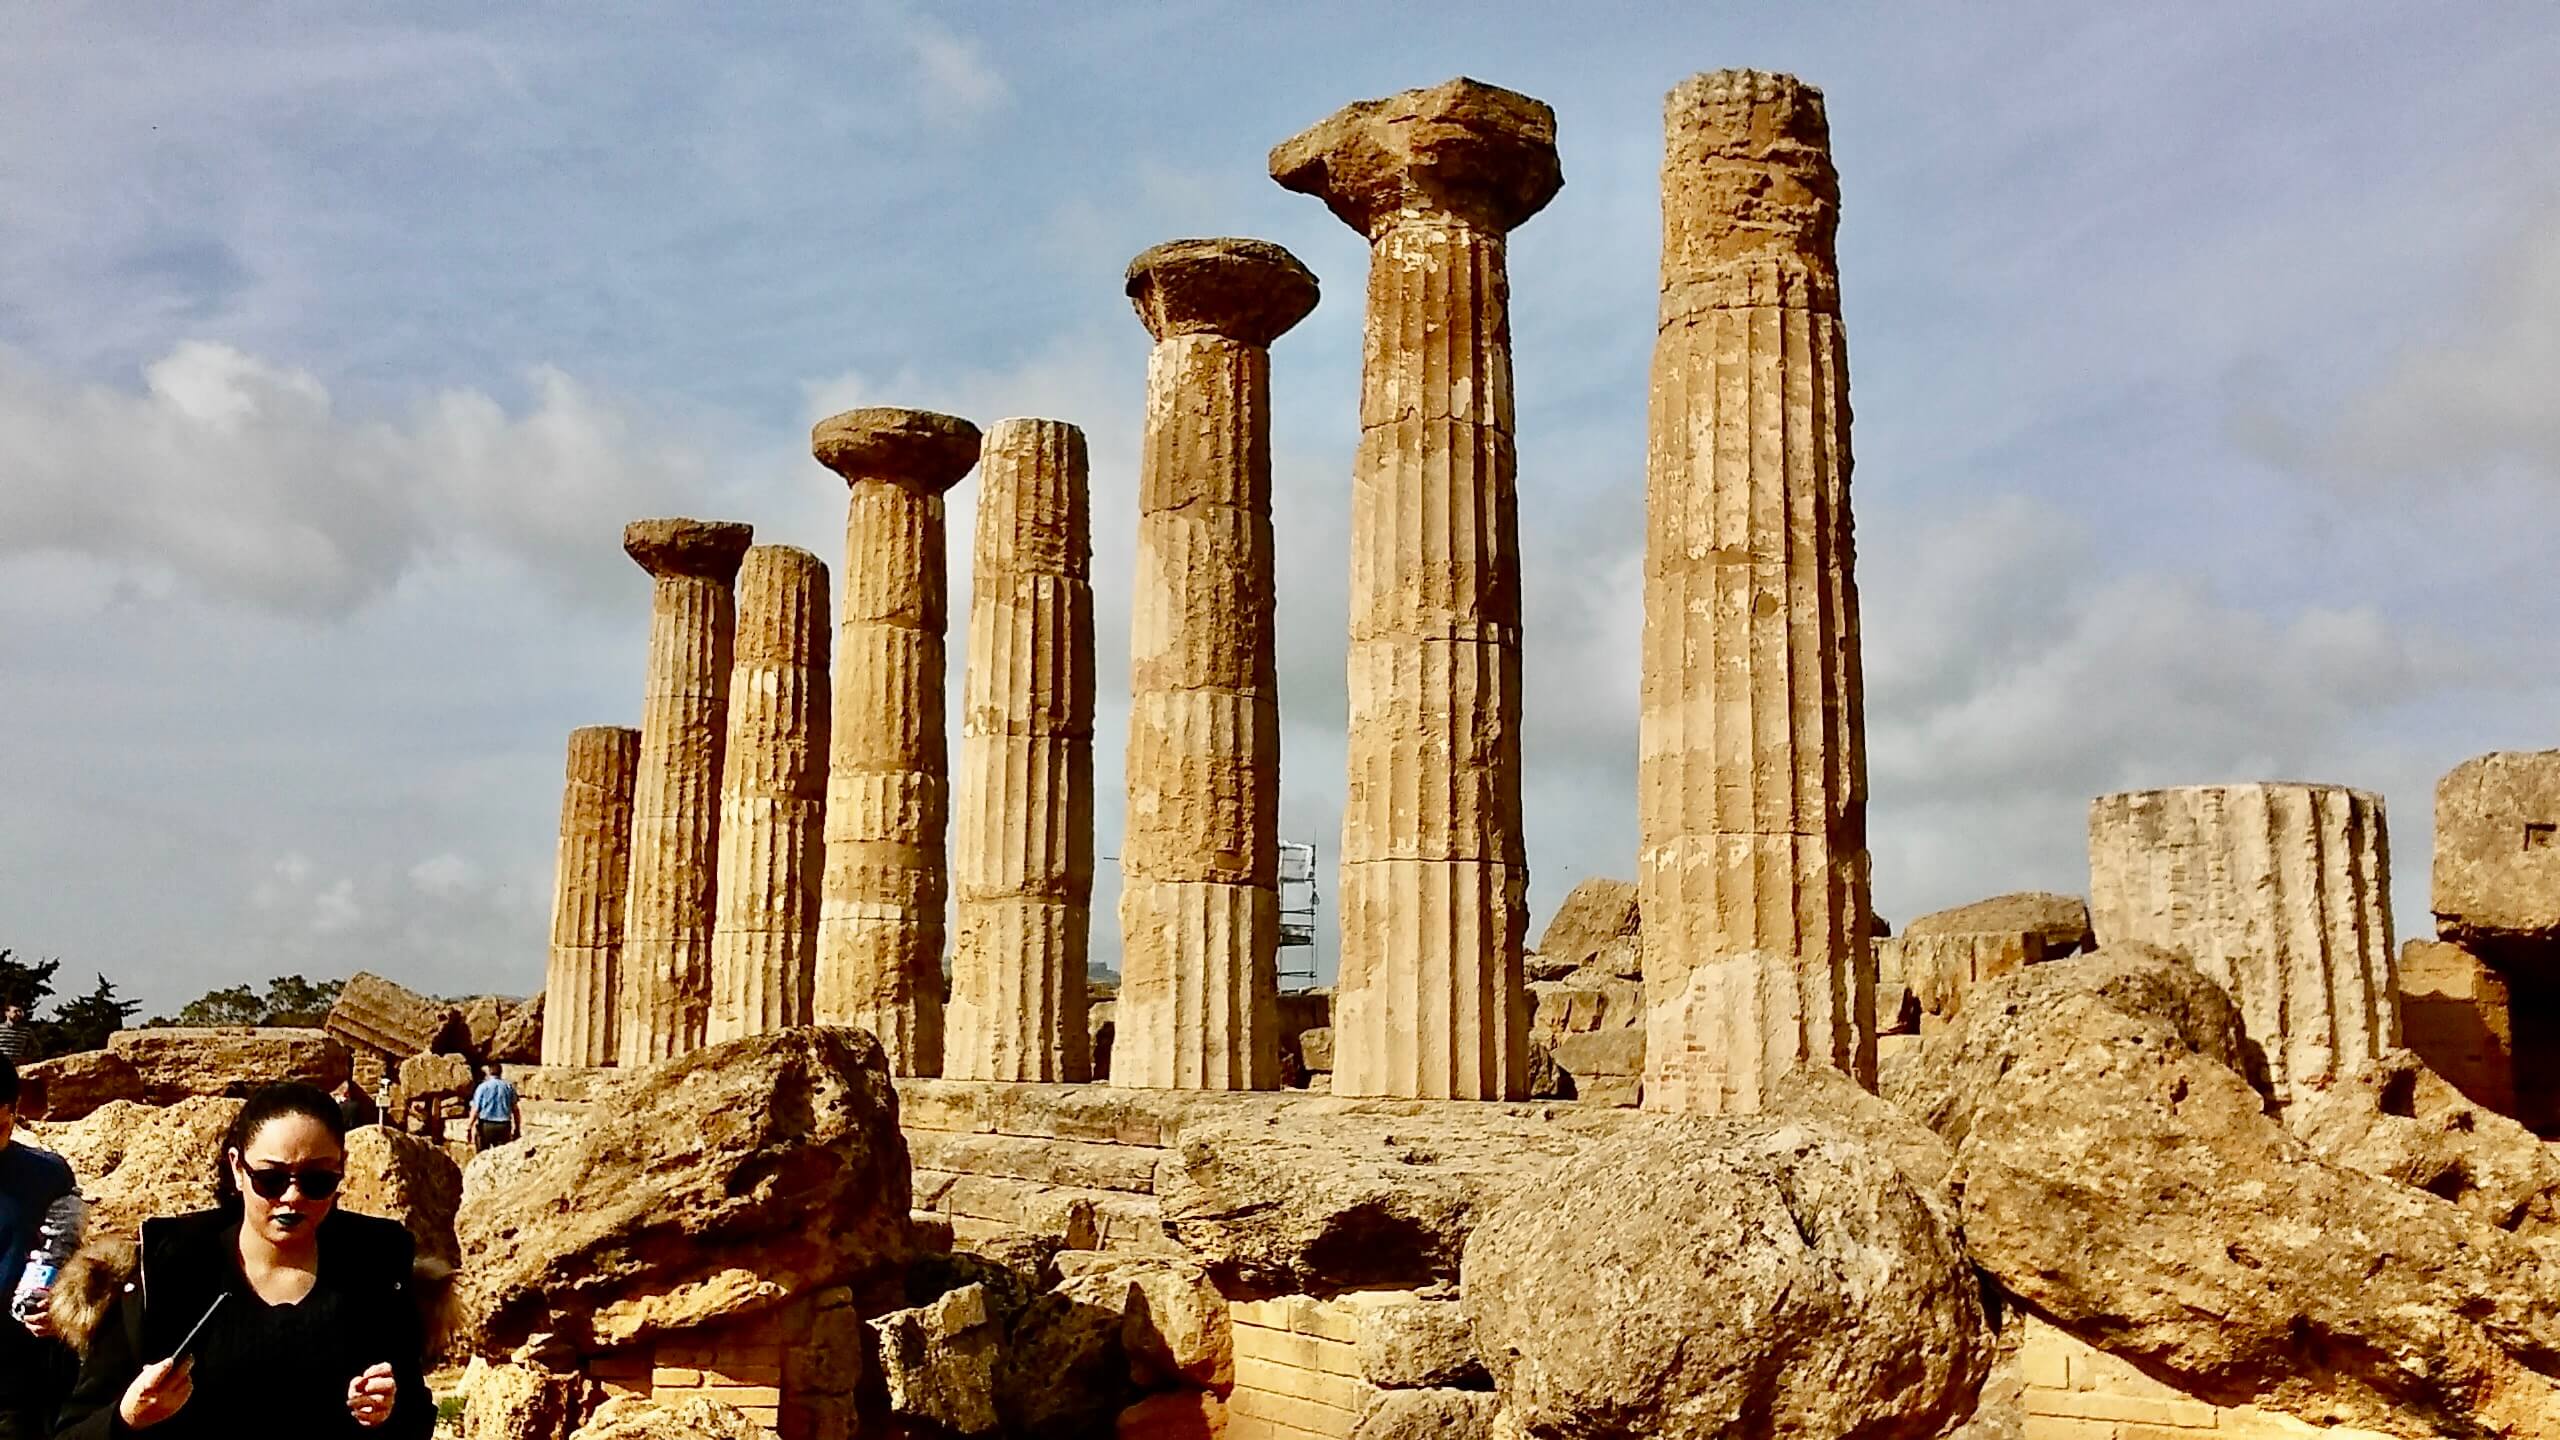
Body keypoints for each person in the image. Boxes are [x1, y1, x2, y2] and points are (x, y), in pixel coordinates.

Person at [53, 1082, 433, 1438]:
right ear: (238, 1168)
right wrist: (127, 1417)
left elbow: (415, 1417)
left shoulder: (376, 1268)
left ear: (341, 1170)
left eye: (317, 1180)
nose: (293, 1197)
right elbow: (74, 1430)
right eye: (271, 1179)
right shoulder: (166, 1269)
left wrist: (389, 1413)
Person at [0, 1055, 78, 1440]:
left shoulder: (46, 1176)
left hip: (17, 1373)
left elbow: (65, 1254)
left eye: (0, 1125)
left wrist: (58, 1306)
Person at [467, 1063, 518, 1154]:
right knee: (502, 1155)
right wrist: (517, 1127)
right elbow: (515, 1109)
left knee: (482, 1155)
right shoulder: (508, 1087)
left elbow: (476, 1109)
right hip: (504, 1126)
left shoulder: (482, 1087)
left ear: (489, 1072)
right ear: (501, 1072)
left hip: (486, 1125)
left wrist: (469, 1126)